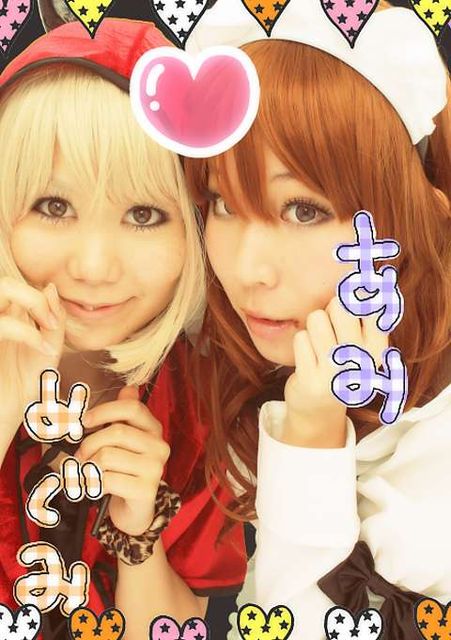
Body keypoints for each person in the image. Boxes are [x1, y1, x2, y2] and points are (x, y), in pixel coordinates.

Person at [184, 0, 451, 637]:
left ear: (416, 214)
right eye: (222, 202)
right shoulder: (233, 376)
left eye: (304, 210)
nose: (248, 268)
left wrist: (310, 437)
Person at [0, 18, 245, 640]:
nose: (94, 268)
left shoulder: (206, 404)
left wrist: (139, 533)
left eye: (143, 214)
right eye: (54, 206)